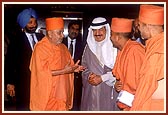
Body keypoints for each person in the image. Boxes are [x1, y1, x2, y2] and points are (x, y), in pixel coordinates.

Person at [29, 17, 85, 111]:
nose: (62, 35)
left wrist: (74, 69)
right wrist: (64, 71)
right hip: (47, 95)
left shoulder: (63, 47)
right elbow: (40, 72)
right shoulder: (40, 48)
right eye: (59, 32)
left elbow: (69, 65)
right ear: (50, 34)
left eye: (62, 32)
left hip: (62, 95)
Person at [4, 8, 44, 111]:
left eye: (35, 22)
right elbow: (9, 62)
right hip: (23, 83)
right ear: (23, 23)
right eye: (30, 22)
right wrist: (10, 83)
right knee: (24, 107)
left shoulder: (42, 38)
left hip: (42, 81)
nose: (33, 25)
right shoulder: (16, 40)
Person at [80, 17, 119, 111]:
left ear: (106, 29)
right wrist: (90, 76)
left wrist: (102, 78)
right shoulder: (88, 48)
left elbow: (120, 70)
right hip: (91, 91)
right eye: (94, 30)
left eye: (101, 29)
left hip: (109, 91)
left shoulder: (115, 47)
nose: (97, 33)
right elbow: (83, 67)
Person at [130, 4, 164, 111]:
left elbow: (146, 89)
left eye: (139, 25)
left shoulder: (158, 51)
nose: (138, 29)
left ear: (148, 26)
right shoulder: (156, 44)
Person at [110, 17, 145, 111]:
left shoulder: (134, 51)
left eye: (111, 35)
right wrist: (118, 84)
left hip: (135, 105)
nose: (110, 38)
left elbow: (133, 86)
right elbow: (123, 79)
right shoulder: (124, 49)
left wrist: (125, 108)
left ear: (117, 37)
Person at [62, 20, 84, 110]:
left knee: (75, 103)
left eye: (77, 29)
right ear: (68, 29)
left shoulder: (82, 45)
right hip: (62, 77)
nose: (74, 31)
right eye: (72, 29)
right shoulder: (60, 42)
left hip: (76, 79)